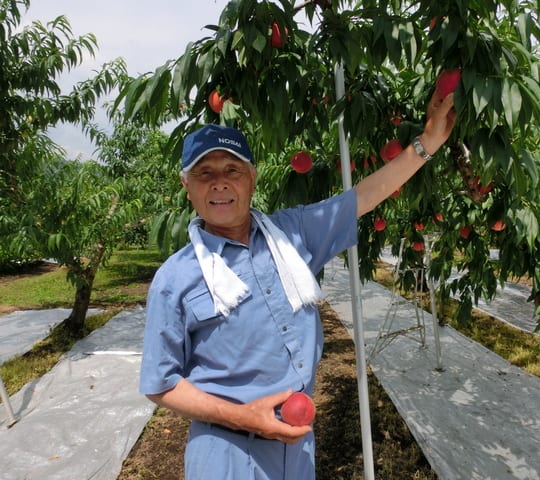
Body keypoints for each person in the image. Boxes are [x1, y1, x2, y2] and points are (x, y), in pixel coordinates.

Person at [139, 90, 457, 479]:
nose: (219, 183)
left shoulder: (292, 235)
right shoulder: (175, 277)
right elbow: (161, 382)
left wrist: (428, 143)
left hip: (297, 442)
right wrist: (244, 418)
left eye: (232, 170)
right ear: (187, 186)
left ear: (252, 179)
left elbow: (363, 197)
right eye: (205, 173)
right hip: (224, 451)